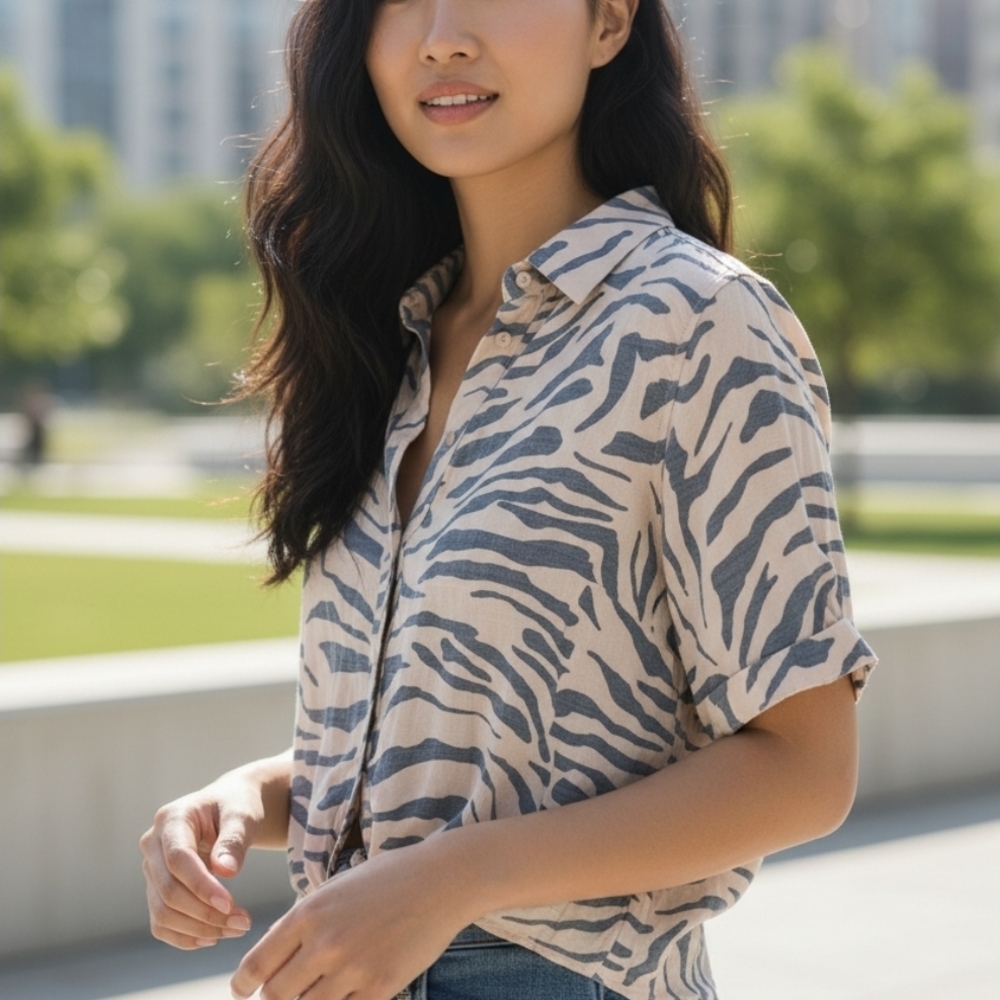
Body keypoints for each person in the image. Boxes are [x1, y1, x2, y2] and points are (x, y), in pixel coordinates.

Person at [140, 2, 878, 999]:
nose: (443, 35)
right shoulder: (395, 342)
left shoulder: (698, 320)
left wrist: (454, 879)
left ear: (609, 22)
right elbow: (457, 748)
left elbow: (804, 766)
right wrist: (245, 800)